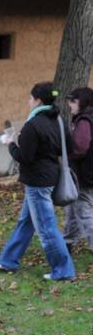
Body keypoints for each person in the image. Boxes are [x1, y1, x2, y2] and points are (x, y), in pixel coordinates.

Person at [0, 81, 75, 281]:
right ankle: (8, 261)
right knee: (26, 221)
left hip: (38, 182)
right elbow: (69, 148)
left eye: (30, 98)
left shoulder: (33, 124)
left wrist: (11, 144)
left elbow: (24, 157)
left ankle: (63, 271)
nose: (28, 101)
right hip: (51, 176)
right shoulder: (59, 121)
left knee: (46, 228)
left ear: (38, 100)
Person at [63, 87, 93, 253]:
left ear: (83, 103)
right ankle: (67, 241)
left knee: (83, 211)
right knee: (73, 209)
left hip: (85, 174)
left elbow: (79, 148)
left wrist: (64, 151)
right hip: (86, 173)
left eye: (73, 101)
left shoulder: (84, 121)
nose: (70, 105)